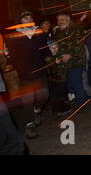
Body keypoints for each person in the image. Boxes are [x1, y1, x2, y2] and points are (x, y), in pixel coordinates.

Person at [5, 10, 49, 139]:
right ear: (20, 22)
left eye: (30, 17)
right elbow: (12, 56)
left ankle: (37, 111)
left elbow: (45, 51)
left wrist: (51, 54)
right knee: (27, 101)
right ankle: (29, 127)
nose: (28, 20)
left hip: (40, 71)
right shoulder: (14, 36)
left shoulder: (39, 33)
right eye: (24, 18)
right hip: (24, 74)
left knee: (44, 95)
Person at [53, 13, 89, 108]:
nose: (60, 22)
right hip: (64, 63)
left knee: (77, 82)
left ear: (68, 20)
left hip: (76, 61)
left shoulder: (76, 29)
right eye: (59, 20)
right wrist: (57, 56)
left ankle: (82, 103)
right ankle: (79, 101)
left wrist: (70, 55)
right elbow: (56, 47)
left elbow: (79, 44)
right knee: (70, 83)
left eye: (63, 19)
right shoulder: (57, 33)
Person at [43, 41, 73, 116]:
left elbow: (66, 67)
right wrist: (55, 64)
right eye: (52, 48)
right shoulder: (47, 58)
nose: (54, 49)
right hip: (53, 81)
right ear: (49, 49)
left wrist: (60, 64)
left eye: (56, 47)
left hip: (62, 79)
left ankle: (64, 109)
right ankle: (57, 110)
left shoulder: (60, 56)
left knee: (62, 95)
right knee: (55, 96)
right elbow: (49, 70)